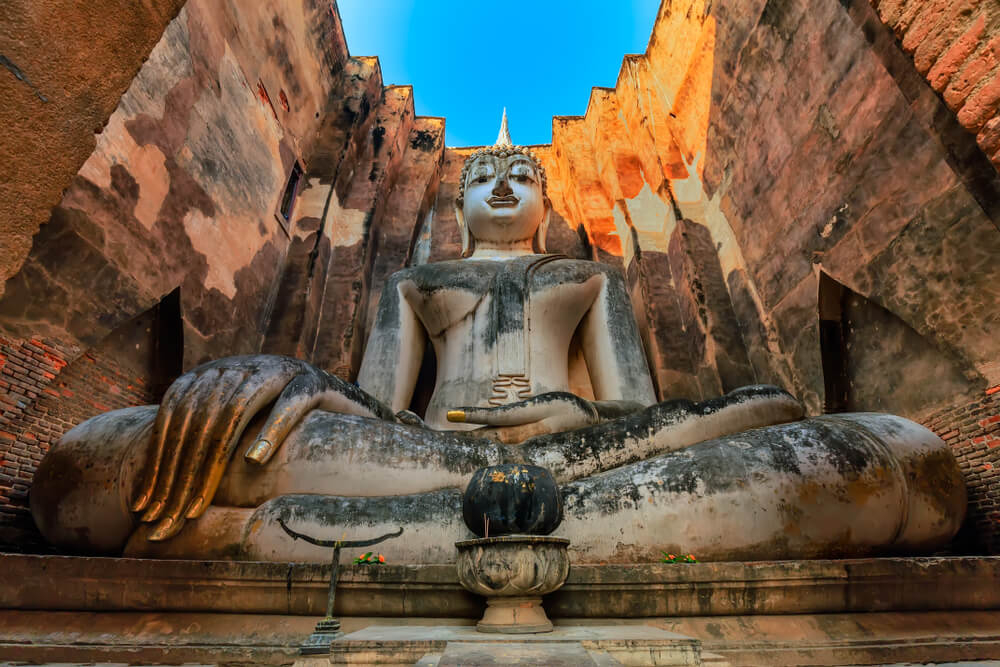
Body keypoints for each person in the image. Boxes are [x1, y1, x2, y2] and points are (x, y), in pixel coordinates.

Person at [31, 120, 966, 563]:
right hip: (418, 455)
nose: (508, 182)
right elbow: (372, 405)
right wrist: (287, 379)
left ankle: (314, 542)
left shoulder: (586, 277)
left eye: (525, 172)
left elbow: (640, 412)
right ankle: (538, 527)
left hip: (591, 454)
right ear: (461, 198)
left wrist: (576, 416)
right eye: (489, 174)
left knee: (881, 454)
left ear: (548, 199)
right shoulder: (417, 280)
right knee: (96, 460)